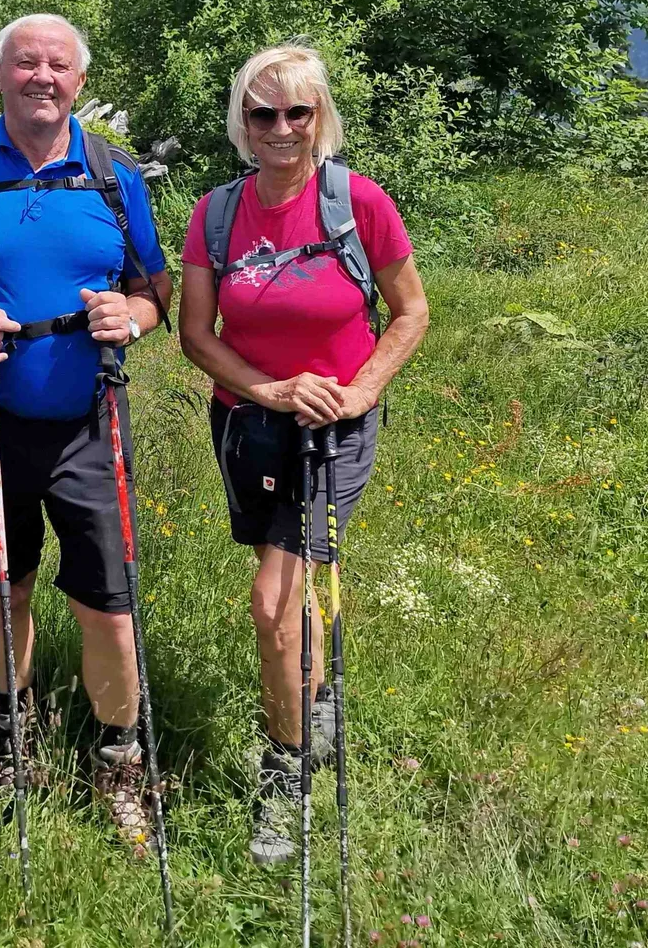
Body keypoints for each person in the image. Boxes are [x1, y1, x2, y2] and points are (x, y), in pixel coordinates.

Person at [0, 13, 174, 851]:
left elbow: (156, 291)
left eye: (59, 65)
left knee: (108, 601)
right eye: (26, 64)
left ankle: (119, 762)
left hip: (90, 415)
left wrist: (126, 317)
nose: (42, 77)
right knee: (5, 587)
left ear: (79, 82)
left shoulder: (112, 172)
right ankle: (11, 747)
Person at [177, 43, 429, 868]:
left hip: (335, 427)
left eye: (298, 112)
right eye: (262, 112)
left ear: (322, 117)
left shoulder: (358, 202)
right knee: (283, 591)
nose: (280, 128)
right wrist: (272, 391)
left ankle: (283, 778)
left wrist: (358, 393)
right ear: (240, 122)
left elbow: (411, 314)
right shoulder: (217, 213)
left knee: (271, 604)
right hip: (248, 426)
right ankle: (316, 698)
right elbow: (195, 337)